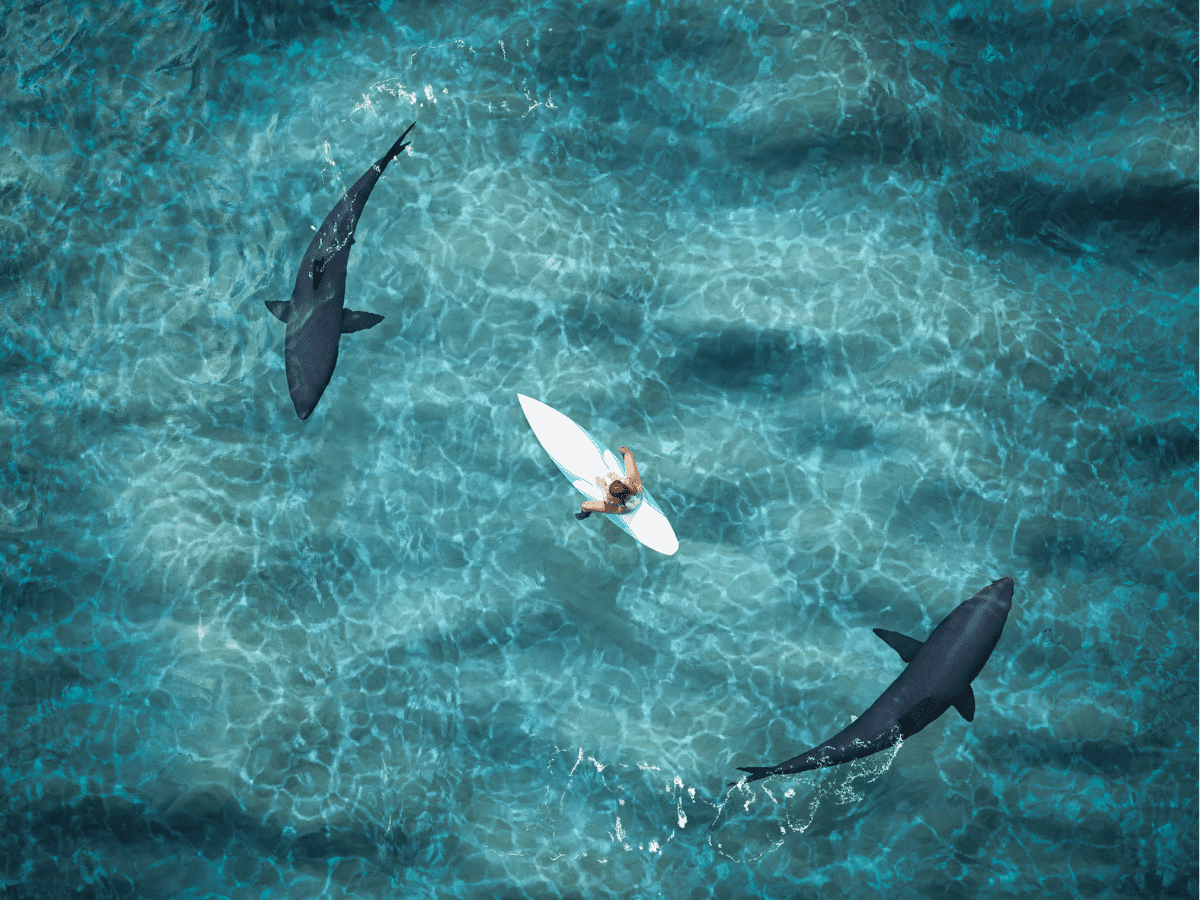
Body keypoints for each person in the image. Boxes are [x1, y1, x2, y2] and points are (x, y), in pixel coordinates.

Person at [575, 446, 643, 519]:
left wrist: (604, 487)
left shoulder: (617, 507)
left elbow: (604, 502)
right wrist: (617, 478)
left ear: (613, 499)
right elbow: (629, 455)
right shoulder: (634, 487)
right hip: (639, 497)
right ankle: (623, 451)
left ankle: (584, 515)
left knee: (585, 507)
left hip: (627, 510)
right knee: (627, 455)